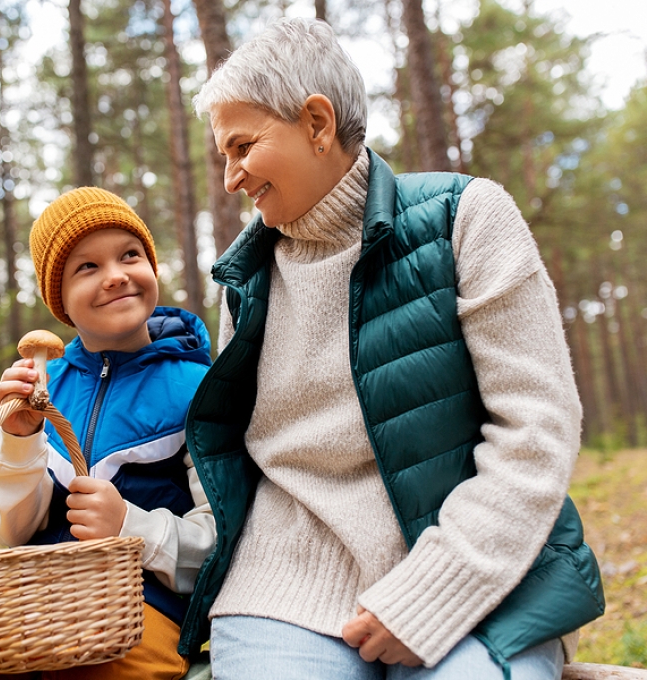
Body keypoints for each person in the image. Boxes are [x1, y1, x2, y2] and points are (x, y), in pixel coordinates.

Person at [176, 17, 603, 680]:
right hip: (281, 588)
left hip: (472, 568)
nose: (230, 177)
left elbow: (536, 428)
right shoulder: (245, 282)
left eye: (242, 146)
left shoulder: (466, 218)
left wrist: (433, 593)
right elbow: (226, 452)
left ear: (317, 122)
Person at [0, 187, 215, 680]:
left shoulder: (200, 391)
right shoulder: (44, 388)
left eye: (130, 255)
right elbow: (8, 531)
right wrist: (19, 439)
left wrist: (129, 525)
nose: (116, 275)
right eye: (87, 267)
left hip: (139, 612)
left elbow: (220, 546)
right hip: (27, 599)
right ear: (57, 298)